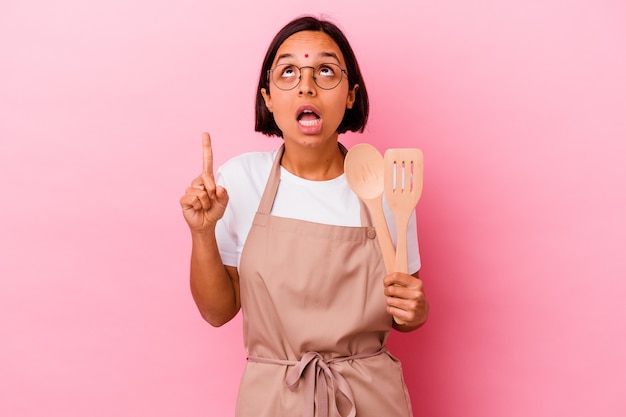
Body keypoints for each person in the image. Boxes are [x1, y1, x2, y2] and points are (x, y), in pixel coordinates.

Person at [180, 15, 429, 417]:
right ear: (267, 97)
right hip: (273, 400)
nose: (307, 85)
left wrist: (417, 311)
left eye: (326, 70)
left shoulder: (386, 185)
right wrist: (202, 234)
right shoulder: (240, 181)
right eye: (289, 71)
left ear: (350, 95)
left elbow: (406, 312)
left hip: (370, 397)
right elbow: (217, 312)